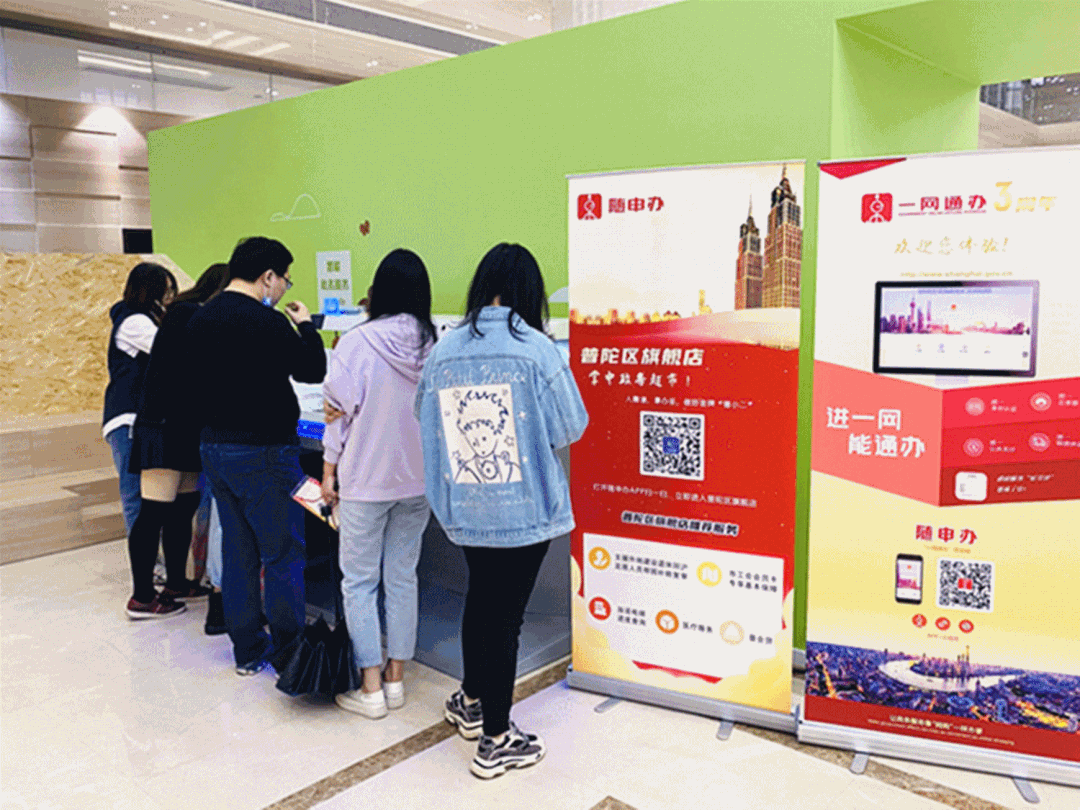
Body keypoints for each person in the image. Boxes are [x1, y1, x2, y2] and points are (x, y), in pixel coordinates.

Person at [415, 243, 588, 779]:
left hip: (466, 507)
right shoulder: (537, 349)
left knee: (481, 601)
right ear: (528, 292)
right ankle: (495, 738)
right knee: (505, 619)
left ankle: (470, 700)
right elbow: (571, 425)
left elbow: (424, 417)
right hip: (525, 512)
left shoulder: (445, 349)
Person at [188, 238, 326, 676]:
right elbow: (312, 370)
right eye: (285, 279)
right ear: (268, 276)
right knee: (282, 553)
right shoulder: (267, 321)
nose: (284, 288)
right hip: (265, 452)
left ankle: (247, 651)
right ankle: (289, 651)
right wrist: (306, 327)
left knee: (239, 552)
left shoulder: (201, 317)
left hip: (215, 449)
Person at [320, 249, 436, 719]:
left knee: (360, 582)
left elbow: (336, 417)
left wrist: (328, 472)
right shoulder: (436, 344)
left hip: (365, 481)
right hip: (418, 482)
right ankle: (395, 679)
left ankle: (369, 689)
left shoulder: (355, 343)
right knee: (403, 578)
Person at [124, 264, 229, 619]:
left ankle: (176, 583)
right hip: (163, 426)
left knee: (183, 509)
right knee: (154, 511)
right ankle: (142, 596)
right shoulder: (185, 314)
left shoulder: (191, 314)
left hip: (184, 428)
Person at [103, 263, 177, 538]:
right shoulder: (134, 322)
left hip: (143, 418)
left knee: (148, 493)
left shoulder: (143, 319)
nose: (170, 297)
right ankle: (146, 559)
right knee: (135, 491)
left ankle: (151, 555)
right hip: (129, 417)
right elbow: (171, 350)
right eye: (166, 291)